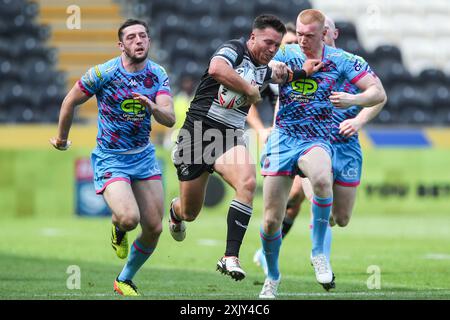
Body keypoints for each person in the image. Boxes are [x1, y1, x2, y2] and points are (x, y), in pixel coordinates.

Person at [169, 14, 322, 282]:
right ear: (252, 38)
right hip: (196, 134)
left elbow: (283, 74)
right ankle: (175, 211)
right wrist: (250, 90)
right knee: (190, 212)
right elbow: (217, 69)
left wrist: (305, 72)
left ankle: (230, 256)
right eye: (267, 42)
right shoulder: (234, 50)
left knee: (248, 183)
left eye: (276, 45)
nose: (272, 49)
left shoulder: (265, 69)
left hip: (228, 136)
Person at [257, 9, 386, 299]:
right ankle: (272, 277)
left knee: (322, 179)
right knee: (269, 221)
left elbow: (377, 93)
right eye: (299, 34)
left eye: (309, 36)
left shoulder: (343, 61)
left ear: (325, 34)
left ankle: (318, 253)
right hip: (283, 138)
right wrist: (276, 72)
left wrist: (353, 100)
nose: (302, 40)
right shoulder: (288, 54)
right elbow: (269, 71)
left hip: (317, 139)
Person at [50, 19, 175, 296]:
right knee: (129, 218)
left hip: (143, 157)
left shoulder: (157, 74)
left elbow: (170, 118)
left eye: (143, 35)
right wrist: (61, 139)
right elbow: (70, 101)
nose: (139, 41)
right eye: (131, 37)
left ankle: (124, 280)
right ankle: (118, 229)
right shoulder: (103, 73)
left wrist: (153, 106)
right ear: (121, 45)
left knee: (154, 228)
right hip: (111, 158)